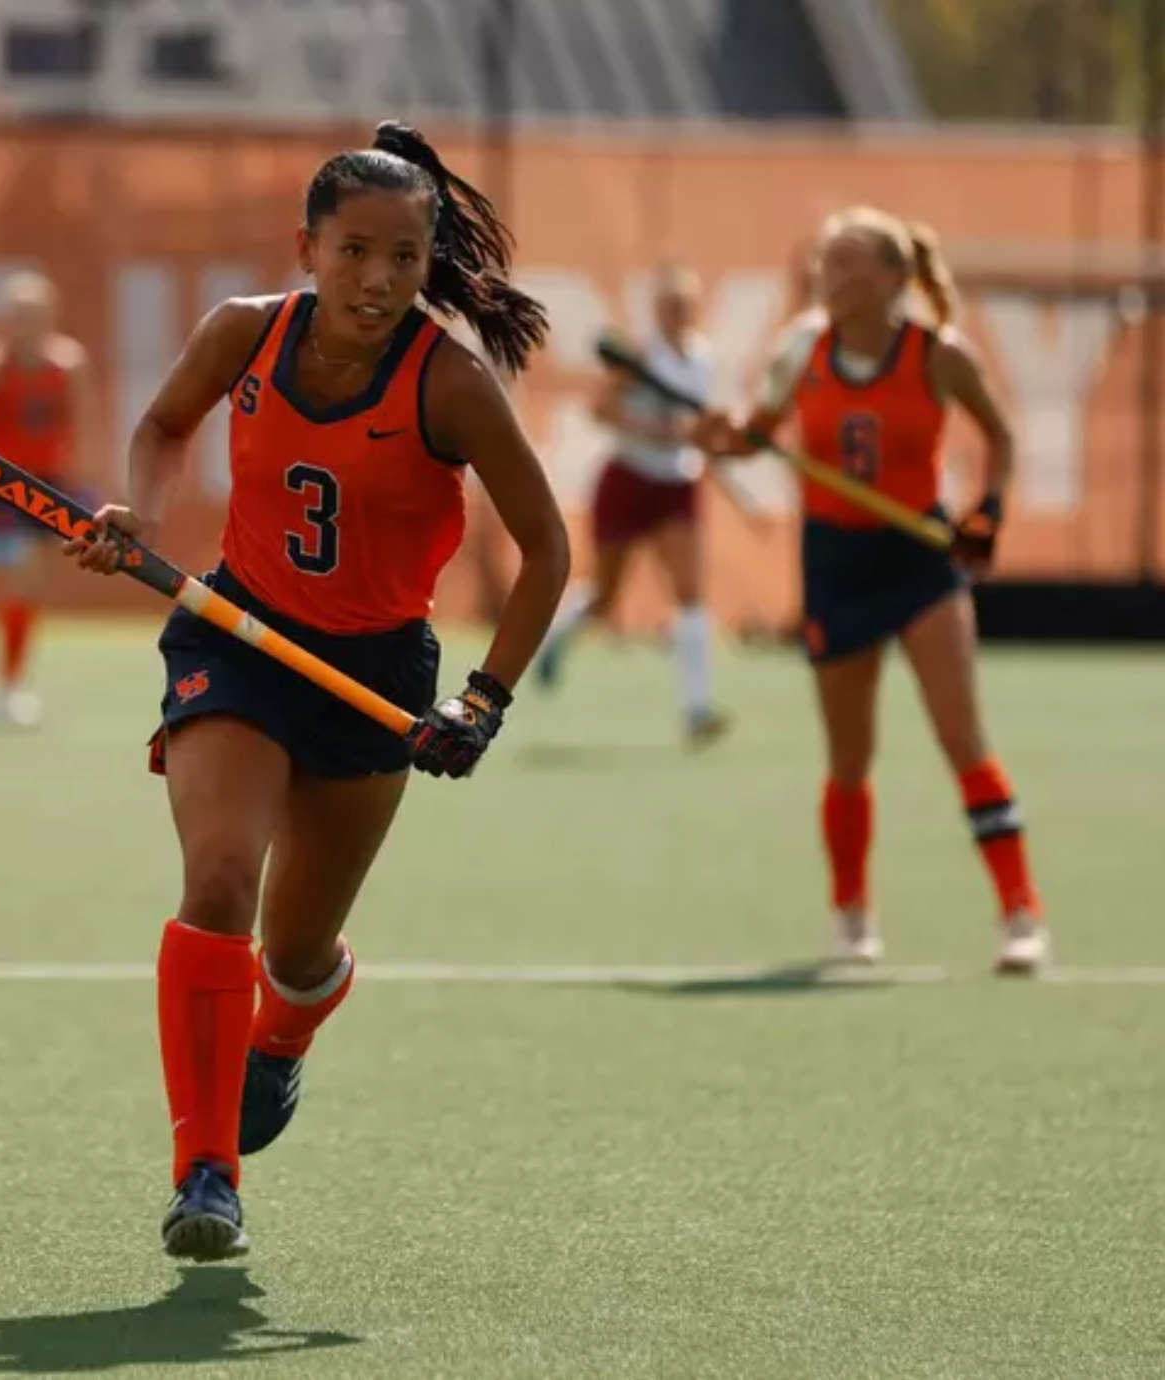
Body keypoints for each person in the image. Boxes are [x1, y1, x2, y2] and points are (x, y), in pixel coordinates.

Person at [71, 122, 570, 1260]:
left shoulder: (448, 384)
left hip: (376, 676)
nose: (377, 280)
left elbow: (545, 550)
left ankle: (287, 1032)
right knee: (217, 882)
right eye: (353, 251)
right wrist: (137, 513)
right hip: (235, 637)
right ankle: (206, 1172)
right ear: (307, 246)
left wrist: (483, 701)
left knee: (294, 953)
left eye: (402, 257)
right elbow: (160, 426)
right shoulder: (245, 333)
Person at [695, 207, 1047, 974]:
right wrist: (717, 435)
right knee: (849, 757)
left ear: (896, 279)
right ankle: (852, 914)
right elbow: (753, 435)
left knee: (962, 738)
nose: (836, 278)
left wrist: (988, 513)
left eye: (854, 264)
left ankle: (1021, 912)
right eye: (830, 262)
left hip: (918, 559)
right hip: (835, 562)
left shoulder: (936, 354)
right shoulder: (802, 350)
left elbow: (1004, 435)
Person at [533, 263, 728, 745]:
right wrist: (652, 430)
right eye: (669, 305)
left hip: (676, 482)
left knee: (689, 593)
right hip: (628, 478)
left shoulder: (703, 359)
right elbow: (601, 410)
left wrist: (706, 438)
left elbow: (697, 425)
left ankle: (696, 708)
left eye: (684, 306)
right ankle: (555, 638)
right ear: (657, 310)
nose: (677, 313)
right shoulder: (641, 356)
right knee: (605, 594)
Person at [0, 271, 98, 727]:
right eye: (19, 316)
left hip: (50, 484)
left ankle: (11, 681)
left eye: (35, 316)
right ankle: (7, 687)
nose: (27, 325)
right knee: (24, 575)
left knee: (32, 585)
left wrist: (88, 492)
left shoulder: (68, 366)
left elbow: (87, 430)